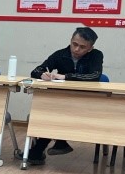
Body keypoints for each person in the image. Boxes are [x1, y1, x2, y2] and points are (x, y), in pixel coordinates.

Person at [25, 27, 104, 165]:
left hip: (86, 102)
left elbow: (94, 76)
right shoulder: (61, 54)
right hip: (63, 101)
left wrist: (65, 76)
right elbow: (36, 70)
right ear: (71, 40)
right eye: (74, 44)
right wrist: (42, 74)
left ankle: (40, 151)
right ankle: (54, 145)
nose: (76, 49)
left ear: (90, 48)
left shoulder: (96, 55)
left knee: (54, 115)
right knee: (50, 114)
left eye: (82, 47)